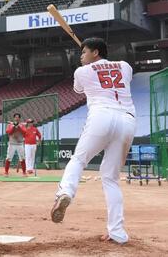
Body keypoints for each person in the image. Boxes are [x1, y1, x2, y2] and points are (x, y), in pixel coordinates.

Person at [50, 37, 136, 244]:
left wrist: (93, 67)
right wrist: (100, 64)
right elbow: (118, 79)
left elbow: (79, 89)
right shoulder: (125, 66)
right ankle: (117, 233)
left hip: (101, 116)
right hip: (128, 120)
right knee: (110, 178)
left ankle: (65, 192)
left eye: (84, 52)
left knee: (79, 160)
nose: (81, 57)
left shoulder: (81, 72)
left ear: (95, 52)